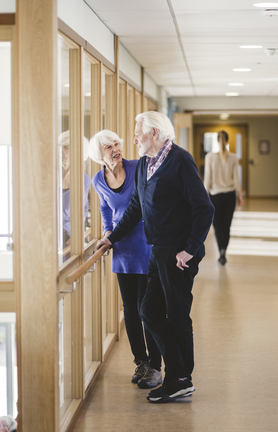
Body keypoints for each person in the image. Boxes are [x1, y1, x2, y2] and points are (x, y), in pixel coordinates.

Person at [96, 112, 214, 403]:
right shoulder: (145, 166)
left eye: (138, 133)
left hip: (179, 254)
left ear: (155, 134)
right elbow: (135, 206)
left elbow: (204, 208)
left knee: (176, 315)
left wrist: (190, 247)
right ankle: (177, 373)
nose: (133, 138)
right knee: (148, 311)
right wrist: (111, 237)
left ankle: (180, 379)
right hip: (157, 250)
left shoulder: (180, 161)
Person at [89, 129, 162, 389]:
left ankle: (156, 366)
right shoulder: (98, 180)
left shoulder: (138, 167)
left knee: (148, 310)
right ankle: (141, 362)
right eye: (108, 147)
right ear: (100, 155)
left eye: (117, 143)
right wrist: (107, 231)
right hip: (121, 249)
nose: (115, 148)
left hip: (146, 245)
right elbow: (104, 207)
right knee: (130, 311)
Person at [204, 130, 243, 265]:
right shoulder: (233, 157)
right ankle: (223, 251)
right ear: (227, 141)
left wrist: (204, 196)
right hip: (230, 196)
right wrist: (239, 195)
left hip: (215, 196)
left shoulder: (209, 157)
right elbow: (237, 179)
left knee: (218, 225)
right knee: (227, 225)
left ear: (217, 141)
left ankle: (220, 248)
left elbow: (207, 179)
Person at [58, 131, 91, 247]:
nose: (60, 151)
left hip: (68, 239)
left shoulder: (83, 180)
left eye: (66, 147)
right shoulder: (47, 176)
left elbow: (82, 210)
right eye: (59, 146)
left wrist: (76, 235)